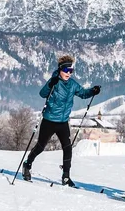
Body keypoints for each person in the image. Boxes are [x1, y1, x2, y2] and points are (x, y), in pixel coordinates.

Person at [22, 55, 100, 187]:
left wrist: (93, 91)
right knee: (40, 146)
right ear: (60, 70)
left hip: (63, 122)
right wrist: (50, 84)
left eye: (71, 71)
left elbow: (83, 93)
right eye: (66, 70)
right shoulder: (54, 81)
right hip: (49, 120)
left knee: (68, 148)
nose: (68, 73)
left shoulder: (72, 84)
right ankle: (27, 164)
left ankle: (66, 176)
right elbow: (42, 94)